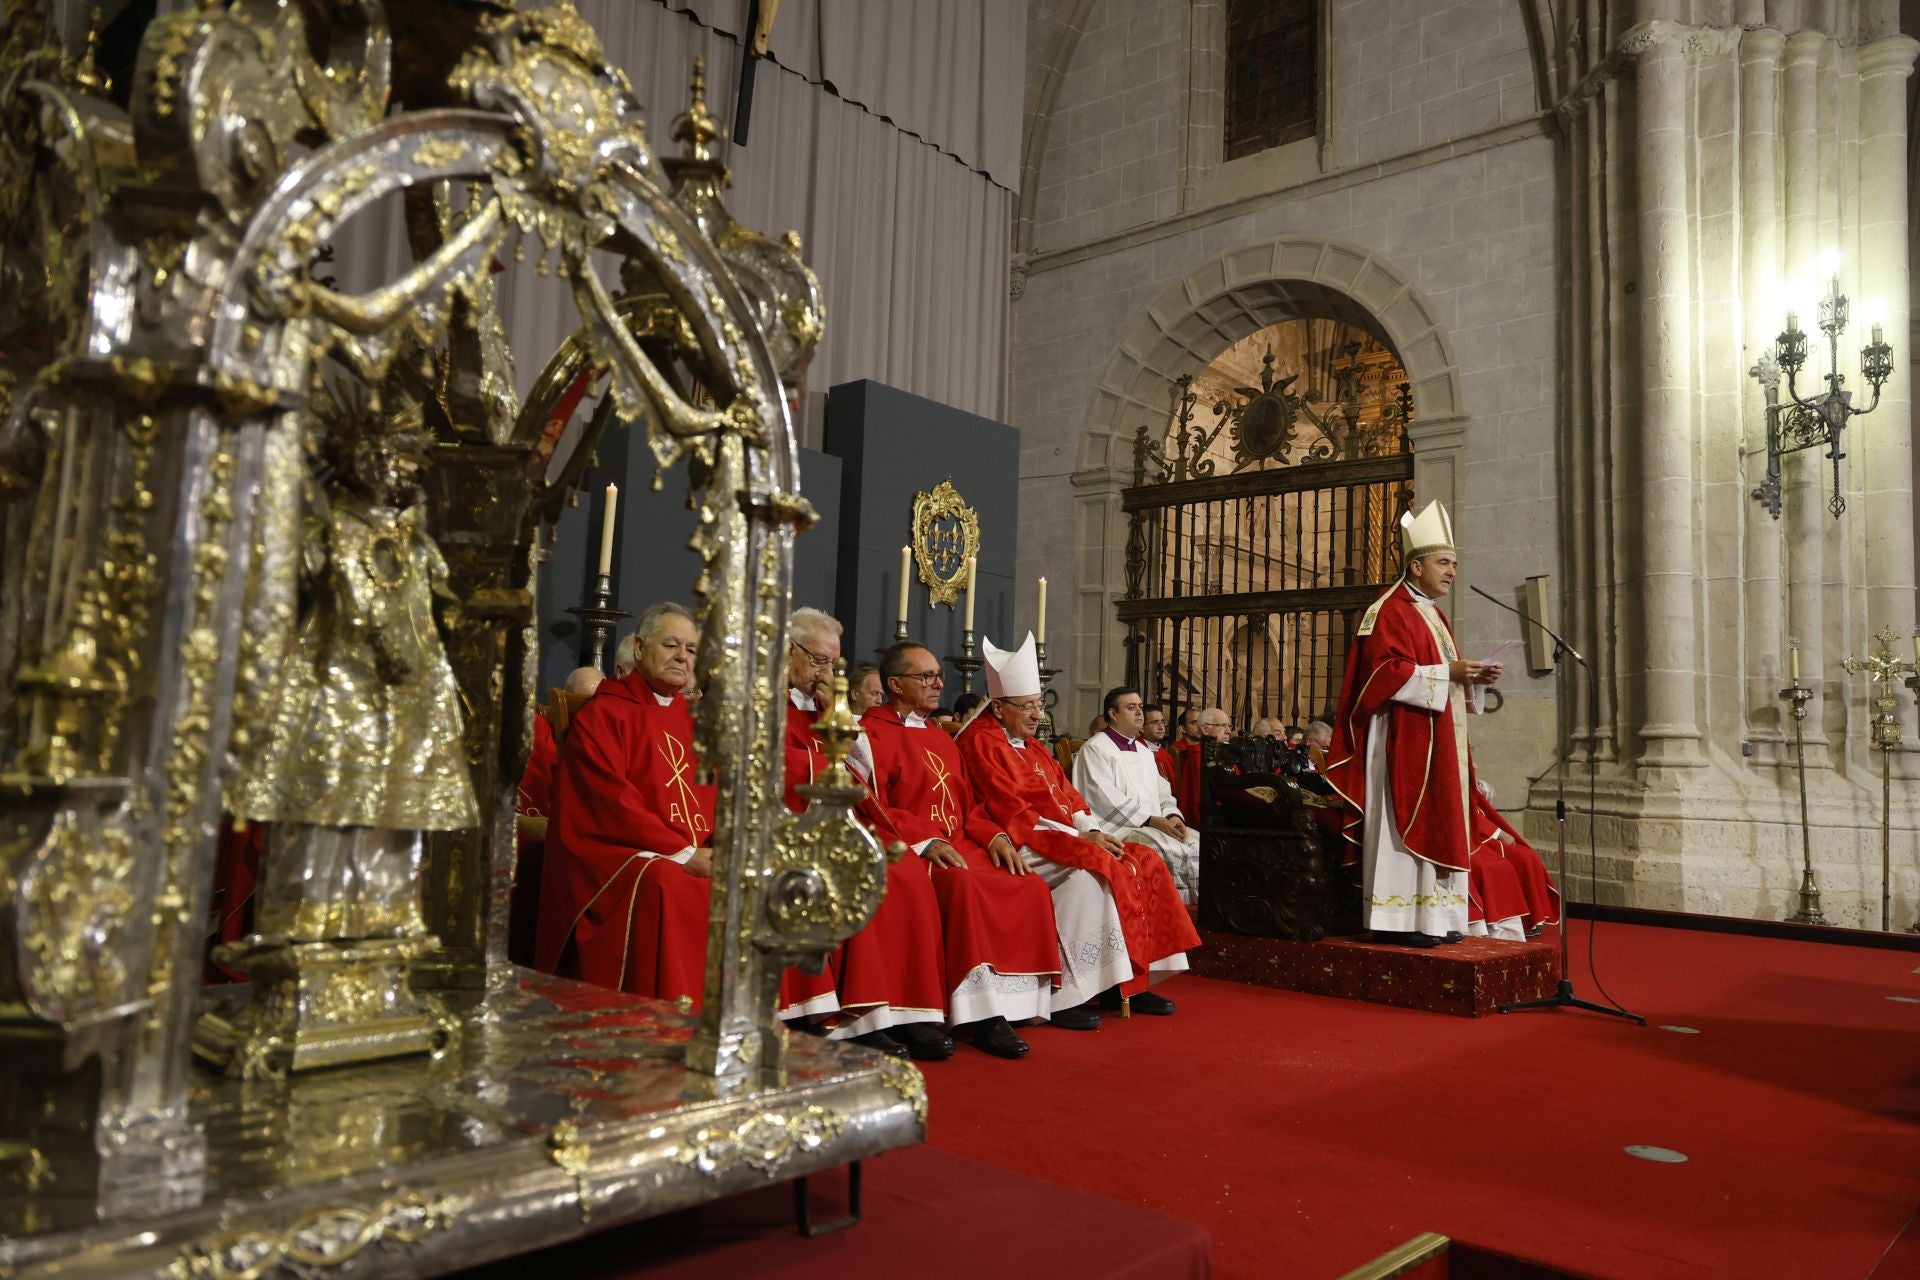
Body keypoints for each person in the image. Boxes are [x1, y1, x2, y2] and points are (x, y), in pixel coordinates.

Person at [958, 634, 1199, 1021]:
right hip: (1021, 838)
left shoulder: (1033, 745)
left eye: (1039, 705)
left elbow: (1070, 797)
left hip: (1062, 834)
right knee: (1099, 873)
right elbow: (1009, 807)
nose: (1038, 715)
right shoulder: (982, 742)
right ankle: (1065, 994)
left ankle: (1130, 984)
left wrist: (1090, 829)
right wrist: (1081, 838)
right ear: (999, 707)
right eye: (1028, 707)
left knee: (1145, 860)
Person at [863, 642, 1066, 1059]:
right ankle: (977, 1016)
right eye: (927, 676)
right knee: (964, 886)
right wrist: (926, 840)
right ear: (895, 684)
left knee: (1026, 885)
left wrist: (994, 835)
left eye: (939, 674)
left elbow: (968, 802)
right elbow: (872, 803)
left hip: (960, 840)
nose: (939, 682)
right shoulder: (869, 734)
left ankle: (1013, 1006)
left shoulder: (940, 736)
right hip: (917, 847)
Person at [1323, 500, 1503, 948]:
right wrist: (1449, 674)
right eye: (1444, 562)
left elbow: (1437, 669)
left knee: (1445, 818)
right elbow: (1381, 674)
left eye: (1455, 564)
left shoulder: (1431, 613)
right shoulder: (1389, 610)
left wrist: (1470, 676)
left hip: (1436, 737)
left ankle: (1437, 918)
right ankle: (1399, 920)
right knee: (1402, 821)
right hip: (1403, 740)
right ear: (1416, 565)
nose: (1453, 572)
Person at [783, 609, 956, 1059]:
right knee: (854, 868)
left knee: (905, 869)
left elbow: (860, 771)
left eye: (833, 665)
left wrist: (835, 708)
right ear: (788, 651)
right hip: (788, 818)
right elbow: (770, 764)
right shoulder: (763, 701)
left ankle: (909, 1012)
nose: (826, 673)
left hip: (836, 815)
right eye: (819, 661)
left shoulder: (822, 707)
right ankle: (859, 1016)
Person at [1073, 687, 1200, 905]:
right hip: (1119, 829)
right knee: (1163, 848)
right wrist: (1150, 820)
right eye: (1131, 708)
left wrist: (1172, 816)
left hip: (1156, 823)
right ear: (1113, 714)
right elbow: (1103, 797)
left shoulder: (1143, 751)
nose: (1139, 712)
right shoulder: (1096, 749)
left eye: (1140, 707)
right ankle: (1173, 910)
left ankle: (1198, 911)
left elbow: (1163, 791)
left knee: (1198, 842)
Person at [1470, 780, 1560, 937]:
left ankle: (1531, 920)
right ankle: (1499, 925)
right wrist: (1497, 832)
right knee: (1497, 866)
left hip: (1480, 833)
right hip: (1468, 838)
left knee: (1526, 857)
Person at [1177, 708, 1233, 822]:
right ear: (1205, 729)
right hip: (1206, 824)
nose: (1228, 731)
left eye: (1229, 726)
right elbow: (1198, 801)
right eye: (1222, 725)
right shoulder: (1198, 757)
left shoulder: (1224, 754)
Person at [1141, 703, 1177, 785]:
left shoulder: (1165, 755)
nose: (1161, 727)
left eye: (1162, 722)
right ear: (1142, 727)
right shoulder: (1136, 751)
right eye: (1155, 722)